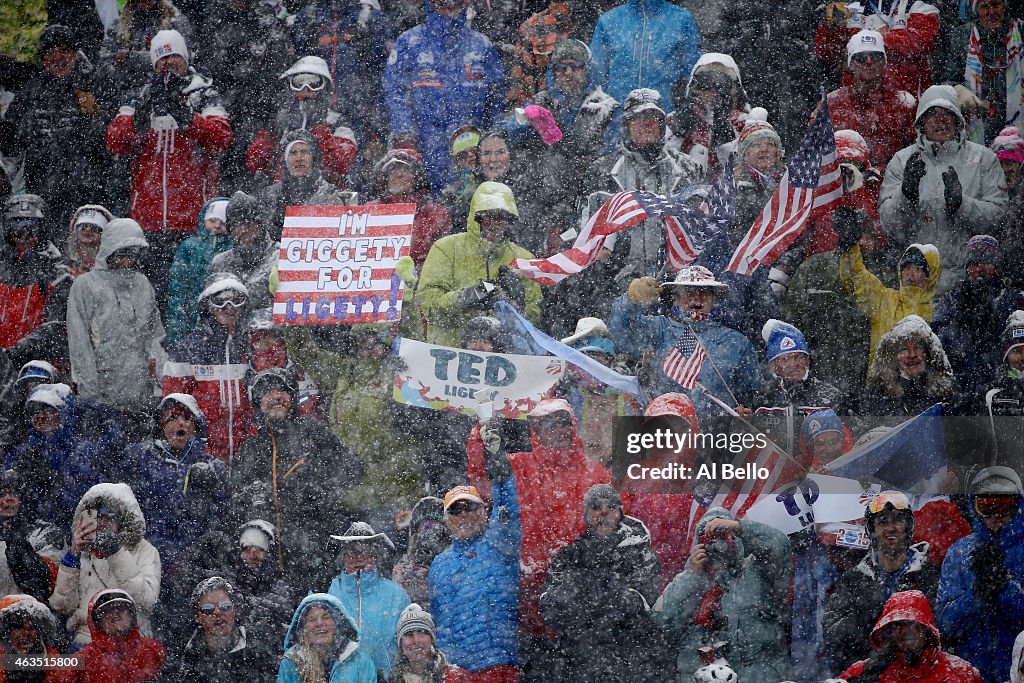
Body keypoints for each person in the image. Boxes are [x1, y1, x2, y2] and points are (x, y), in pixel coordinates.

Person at [467, 398, 610, 669]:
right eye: (550, 425)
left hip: (580, 594)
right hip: (526, 592)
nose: (558, 430)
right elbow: (483, 479)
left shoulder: (597, 474)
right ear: (537, 431)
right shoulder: (518, 466)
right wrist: (481, 435)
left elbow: (612, 523)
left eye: (563, 423)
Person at [104, 28, 233, 303]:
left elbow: (222, 138)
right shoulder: (142, 94)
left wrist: (188, 118)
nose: (168, 63)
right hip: (147, 221)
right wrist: (139, 117)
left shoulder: (204, 92)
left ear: (185, 58)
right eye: (162, 59)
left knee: (187, 295)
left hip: (190, 220)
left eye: (174, 56)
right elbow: (115, 141)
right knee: (149, 297)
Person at [232, 368, 364, 584]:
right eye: (267, 392)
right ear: (258, 403)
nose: (276, 397)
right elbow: (237, 504)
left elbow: (355, 471)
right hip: (270, 567)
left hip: (316, 555)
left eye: (282, 391)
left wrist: (319, 481)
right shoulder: (251, 448)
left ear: (292, 398)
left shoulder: (313, 432)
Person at [879, 84, 1007, 288]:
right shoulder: (901, 161)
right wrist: (906, 195)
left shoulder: (984, 159)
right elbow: (890, 226)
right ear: (921, 122)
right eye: (933, 114)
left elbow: (999, 219)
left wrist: (961, 205)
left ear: (958, 120)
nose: (941, 120)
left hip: (968, 284)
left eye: (948, 113)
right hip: (915, 284)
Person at [540, 484, 666, 682]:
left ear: (620, 513)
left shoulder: (640, 552)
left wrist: (589, 593)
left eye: (611, 506)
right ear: (587, 515)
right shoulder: (569, 555)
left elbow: (642, 602)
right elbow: (548, 606)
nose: (604, 511)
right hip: (577, 661)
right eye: (596, 506)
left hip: (630, 659)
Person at [653, 506, 794, 682]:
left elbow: (781, 546)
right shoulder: (686, 582)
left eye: (722, 537)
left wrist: (739, 527)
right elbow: (659, 623)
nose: (716, 546)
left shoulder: (759, 573)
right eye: (708, 539)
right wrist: (692, 576)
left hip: (761, 676)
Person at [382, 0, 506, 194]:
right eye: (441, 1)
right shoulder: (410, 42)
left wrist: (491, 139)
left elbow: (496, 99)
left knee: (469, 209)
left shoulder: (481, 46)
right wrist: (405, 133)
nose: (449, 6)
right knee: (426, 212)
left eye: (456, 1)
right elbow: (395, 92)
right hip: (423, 148)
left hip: (469, 151)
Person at [610, 266, 761, 413]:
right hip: (665, 429)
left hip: (718, 433)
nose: (696, 297)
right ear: (675, 299)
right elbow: (621, 332)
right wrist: (631, 301)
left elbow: (751, 395)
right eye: (689, 292)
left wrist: (747, 412)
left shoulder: (737, 343)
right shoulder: (659, 329)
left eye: (703, 292)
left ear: (714, 299)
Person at [824, 491, 940, 675]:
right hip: (868, 674)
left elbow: (940, 629)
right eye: (882, 522)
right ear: (871, 530)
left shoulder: (927, 574)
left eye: (897, 521)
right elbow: (832, 633)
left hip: (917, 674)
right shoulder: (854, 579)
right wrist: (866, 614)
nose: (890, 528)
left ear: (908, 527)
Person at [4, 25, 110, 227]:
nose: (58, 58)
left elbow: (111, 142)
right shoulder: (31, 92)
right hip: (43, 194)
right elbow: (11, 143)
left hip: (89, 194)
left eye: (64, 50)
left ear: (75, 54)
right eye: (50, 53)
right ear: (43, 59)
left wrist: (97, 117)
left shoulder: (96, 84)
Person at [590, 88, 702, 279]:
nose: (647, 123)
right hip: (615, 281)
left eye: (653, 117)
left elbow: (701, 228)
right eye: (638, 117)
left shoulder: (688, 169)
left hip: (676, 282)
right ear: (626, 125)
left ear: (662, 126)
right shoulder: (602, 170)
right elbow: (589, 236)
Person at [430, 452, 521, 681]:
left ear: (483, 512)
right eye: (455, 510)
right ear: (447, 520)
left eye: (470, 508)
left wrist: (502, 479)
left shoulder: (498, 544)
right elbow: (440, 619)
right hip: (455, 670)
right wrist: (446, 665)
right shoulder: (439, 565)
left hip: (497, 662)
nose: (463, 515)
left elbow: (508, 513)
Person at [415, 181, 542, 346]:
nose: (495, 223)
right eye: (489, 216)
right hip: (451, 354)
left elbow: (534, 320)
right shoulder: (446, 248)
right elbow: (429, 306)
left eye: (501, 217)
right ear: (477, 218)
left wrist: (513, 306)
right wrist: (465, 298)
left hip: (503, 357)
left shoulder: (523, 259)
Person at [66, 217, 166, 419]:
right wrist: (90, 393)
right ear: (109, 250)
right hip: (103, 392)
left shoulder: (142, 284)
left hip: (141, 391)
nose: (126, 260)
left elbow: (155, 336)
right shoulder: (86, 285)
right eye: (122, 253)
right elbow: (79, 344)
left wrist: (161, 379)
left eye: (133, 254)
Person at [937, 466, 1024, 683]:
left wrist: (1004, 587)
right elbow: (945, 624)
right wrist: (977, 595)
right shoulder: (959, 552)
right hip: (969, 670)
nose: (996, 516)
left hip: (1016, 672)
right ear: (974, 508)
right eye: (986, 506)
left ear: (1017, 506)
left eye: (1004, 506)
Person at [49, 483, 161, 645]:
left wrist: (116, 553)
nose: (102, 522)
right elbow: (61, 606)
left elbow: (147, 601)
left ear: (124, 518)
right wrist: (72, 556)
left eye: (109, 515)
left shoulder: (145, 551)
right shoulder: (81, 549)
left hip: (131, 640)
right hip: (87, 638)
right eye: (95, 515)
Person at [123, 393, 227, 564]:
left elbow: (222, 515)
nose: (181, 423)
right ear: (161, 427)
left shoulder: (212, 467)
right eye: (172, 419)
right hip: (150, 556)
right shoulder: (140, 460)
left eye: (187, 418)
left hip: (199, 560)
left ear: (196, 426)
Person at [162, 272, 254, 465]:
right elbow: (174, 405)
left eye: (236, 301)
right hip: (204, 451)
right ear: (207, 305)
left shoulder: (252, 344)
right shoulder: (187, 349)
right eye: (220, 301)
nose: (228, 308)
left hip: (247, 450)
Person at [245, 55, 358, 189]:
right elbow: (254, 164)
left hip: (325, 196)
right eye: (299, 82)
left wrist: (320, 129)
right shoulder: (281, 122)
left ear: (324, 87)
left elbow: (343, 165)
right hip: (282, 195)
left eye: (313, 82)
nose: (306, 89)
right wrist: (269, 134)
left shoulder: (337, 122)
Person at [836, 223, 942, 366]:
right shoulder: (884, 300)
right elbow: (855, 278)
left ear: (931, 276)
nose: (910, 273)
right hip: (882, 385)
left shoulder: (938, 311)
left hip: (922, 386)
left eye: (917, 269)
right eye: (906, 267)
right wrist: (850, 248)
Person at [292, 0, 395, 145]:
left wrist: (376, 133)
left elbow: (385, 78)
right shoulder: (308, 17)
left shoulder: (371, 18)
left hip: (358, 118)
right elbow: (292, 73)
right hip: (312, 116)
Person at [4, 384, 99, 530]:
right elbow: (8, 501)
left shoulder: (83, 452)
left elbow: (91, 503)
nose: (40, 416)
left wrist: (56, 484)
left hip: (72, 535)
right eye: (35, 411)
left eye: (49, 410)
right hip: (29, 535)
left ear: (64, 414)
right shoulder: (19, 453)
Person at [743, 319, 844, 454]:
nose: (793, 364)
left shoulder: (831, 396)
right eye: (785, 359)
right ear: (772, 366)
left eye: (799, 357)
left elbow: (846, 444)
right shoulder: (758, 397)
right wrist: (741, 424)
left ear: (808, 361)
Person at [932, 235, 1014, 399]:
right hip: (959, 389)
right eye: (974, 263)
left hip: (1003, 390)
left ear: (996, 267)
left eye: (986, 262)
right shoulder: (952, 300)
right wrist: (961, 325)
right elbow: (936, 342)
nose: (979, 268)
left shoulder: (1012, 299)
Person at [839, 589, 982, 682]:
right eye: (897, 624)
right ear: (888, 631)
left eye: (912, 623)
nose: (905, 630)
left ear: (927, 629)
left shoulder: (959, 672)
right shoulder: (862, 670)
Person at [327, 522, 411, 678]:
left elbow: (408, 641)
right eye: (352, 552)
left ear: (375, 556)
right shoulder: (330, 593)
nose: (359, 558)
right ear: (343, 557)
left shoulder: (397, 595)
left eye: (366, 552)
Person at [827, 30, 917, 170]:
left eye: (875, 56)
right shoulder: (831, 103)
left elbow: (915, 152)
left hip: (891, 184)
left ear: (883, 63)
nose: (869, 62)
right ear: (851, 64)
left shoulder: (904, 102)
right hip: (843, 186)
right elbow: (814, 152)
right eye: (861, 57)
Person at [587, 0, 700, 107]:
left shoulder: (681, 20)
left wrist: (681, 113)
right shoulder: (608, 21)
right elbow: (596, 78)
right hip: (618, 118)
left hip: (665, 117)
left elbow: (691, 75)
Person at [941, 0, 1024, 145]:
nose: (991, 12)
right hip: (977, 124)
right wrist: (959, 91)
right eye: (985, 6)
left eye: (996, 5)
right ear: (976, 10)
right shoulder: (961, 36)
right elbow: (947, 80)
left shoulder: (1021, 32)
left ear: (1004, 8)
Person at [814, 0, 940, 94]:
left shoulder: (919, 4)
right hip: (856, 101)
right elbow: (826, 53)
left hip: (904, 99)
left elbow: (920, 42)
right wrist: (829, 29)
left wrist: (877, 38)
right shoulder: (851, 6)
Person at [168, 575, 277, 683]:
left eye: (225, 606)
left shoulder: (258, 647)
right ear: (197, 617)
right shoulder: (184, 655)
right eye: (208, 609)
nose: (218, 612)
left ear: (233, 610)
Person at [0, 194, 69, 350]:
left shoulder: (56, 272)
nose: (24, 237)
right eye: (16, 230)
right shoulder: (2, 265)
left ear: (42, 230)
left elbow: (56, 326)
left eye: (30, 230)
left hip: (36, 363)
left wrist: (17, 352)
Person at [366, 148, 451, 270]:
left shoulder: (436, 214)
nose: (399, 174)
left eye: (406, 169)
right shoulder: (370, 211)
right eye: (392, 169)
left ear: (418, 177)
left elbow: (441, 261)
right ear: (384, 177)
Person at [666, 53, 748, 179]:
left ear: (733, 90)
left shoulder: (744, 123)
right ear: (693, 88)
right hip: (684, 191)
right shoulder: (676, 119)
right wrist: (678, 132)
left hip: (729, 194)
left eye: (721, 85)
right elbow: (661, 158)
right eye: (704, 84)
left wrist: (726, 139)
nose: (712, 92)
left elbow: (749, 165)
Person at [59, 589, 167, 683]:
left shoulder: (153, 649)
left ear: (131, 614)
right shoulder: (82, 658)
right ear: (97, 622)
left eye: (121, 607)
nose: (115, 612)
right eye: (107, 611)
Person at [165, 197, 232, 347]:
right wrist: (179, 318)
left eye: (223, 222)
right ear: (204, 219)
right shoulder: (189, 247)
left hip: (222, 311)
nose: (217, 225)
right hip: (192, 313)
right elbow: (177, 284)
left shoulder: (233, 247)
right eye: (213, 220)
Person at [859, 314, 957, 416]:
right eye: (904, 349)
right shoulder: (876, 395)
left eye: (918, 347)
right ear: (893, 357)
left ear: (929, 353)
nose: (912, 355)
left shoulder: (945, 394)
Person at [259, 129, 348, 240]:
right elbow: (266, 237)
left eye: (304, 152)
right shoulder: (270, 195)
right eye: (293, 153)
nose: (299, 158)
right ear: (285, 160)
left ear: (313, 158)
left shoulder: (330, 194)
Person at [277, 592, 377, 683]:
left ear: (337, 624)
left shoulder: (360, 661)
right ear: (303, 628)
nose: (319, 623)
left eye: (326, 617)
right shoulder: (291, 663)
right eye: (312, 619)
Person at [208, 191, 279, 311]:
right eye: (236, 225)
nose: (244, 229)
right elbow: (211, 312)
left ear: (260, 224)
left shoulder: (282, 257)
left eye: (249, 222)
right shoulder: (221, 263)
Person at [0, 469, 60, 602]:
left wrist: (16, 540)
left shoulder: (46, 532)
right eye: (1, 493)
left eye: (14, 493)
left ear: (24, 498)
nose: (7, 498)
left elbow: (44, 585)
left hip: (30, 618)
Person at [391, 497, 448, 606]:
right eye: (425, 526)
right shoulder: (404, 566)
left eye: (435, 526)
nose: (430, 533)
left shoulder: (455, 559)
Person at [388, 603, 464, 682]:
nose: (416, 640)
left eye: (421, 633)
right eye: (408, 635)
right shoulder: (393, 679)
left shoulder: (457, 678)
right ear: (400, 644)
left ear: (432, 639)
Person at [0, 594, 61, 665]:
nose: (26, 633)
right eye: (18, 627)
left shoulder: (52, 659)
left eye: (32, 628)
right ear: (6, 632)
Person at [63, 205, 114, 278]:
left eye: (95, 228)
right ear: (75, 230)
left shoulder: (111, 259)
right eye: (82, 226)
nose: (88, 230)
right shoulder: (63, 258)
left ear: (103, 233)